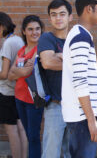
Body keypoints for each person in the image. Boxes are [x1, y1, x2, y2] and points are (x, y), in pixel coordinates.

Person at [61, 0, 97, 158]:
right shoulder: (81, 37)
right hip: (82, 119)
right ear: (89, 9)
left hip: (80, 117)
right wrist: (91, 121)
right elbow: (80, 82)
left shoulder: (79, 35)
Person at [38, 0, 72, 158]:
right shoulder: (47, 38)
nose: (58, 18)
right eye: (54, 15)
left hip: (76, 106)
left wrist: (59, 56)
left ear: (70, 17)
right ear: (50, 18)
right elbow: (47, 63)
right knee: (50, 153)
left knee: (72, 153)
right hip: (55, 106)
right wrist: (72, 61)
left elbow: (85, 67)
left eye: (62, 14)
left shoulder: (76, 39)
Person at [8, 15, 45, 158]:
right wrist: (20, 70)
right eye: (30, 29)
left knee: (33, 136)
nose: (34, 32)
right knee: (29, 136)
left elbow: (27, 71)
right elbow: (10, 75)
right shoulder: (22, 50)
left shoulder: (40, 49)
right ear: (24, 31)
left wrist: (18, 70)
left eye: (37, 29)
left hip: (33, 100)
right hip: (19, 98)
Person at [0, 12, 27, 158]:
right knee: (21, 129)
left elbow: (4, 74)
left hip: (7, 93)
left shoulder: (8, 43)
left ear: (2, 26)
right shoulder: (18, 40)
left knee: (11, 131)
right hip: (17, 92)